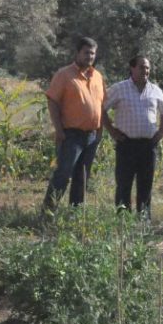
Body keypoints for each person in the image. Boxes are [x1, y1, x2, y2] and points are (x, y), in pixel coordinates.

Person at [102, 55, 163, 218]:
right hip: (126, 144)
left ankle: (144, 219)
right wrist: (112, 131)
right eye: (141, 67)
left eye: (147, 67)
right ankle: (123, 219)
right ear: (132, 68)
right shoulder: (119, 88)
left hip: (148, 145)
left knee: (145, 184)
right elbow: (101, 109)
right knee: (124, 184)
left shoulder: (155, 90)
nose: (145, 70)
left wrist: (161, 132)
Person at [43, 37, 105, 210]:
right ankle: (48, 213)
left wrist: (99, 132)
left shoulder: (97, 77)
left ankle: (75, 214)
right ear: (77, 53)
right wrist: (59, 130)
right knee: (63, 174)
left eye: (92, 53)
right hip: (71, 135)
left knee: (82, 177)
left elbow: (100, 105)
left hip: (91, 137)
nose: (89, 56)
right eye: (86, 52)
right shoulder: (64, 75)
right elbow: (53, 101)